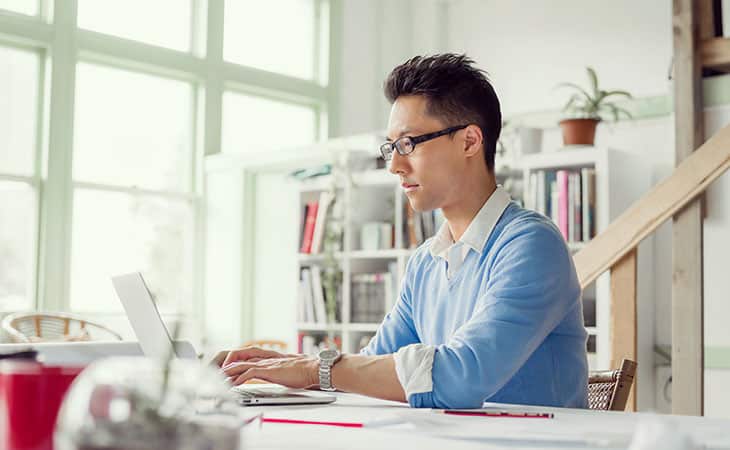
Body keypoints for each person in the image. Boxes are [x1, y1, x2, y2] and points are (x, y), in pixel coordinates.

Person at [219, 53, 588, 409]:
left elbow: (462, 375)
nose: (394, 165)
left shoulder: (530, 245)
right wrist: (283, 369)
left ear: (470, 141)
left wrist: (314, 368)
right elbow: (372, 367)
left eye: (408, 144)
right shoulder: (426, 262)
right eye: (391, 147)